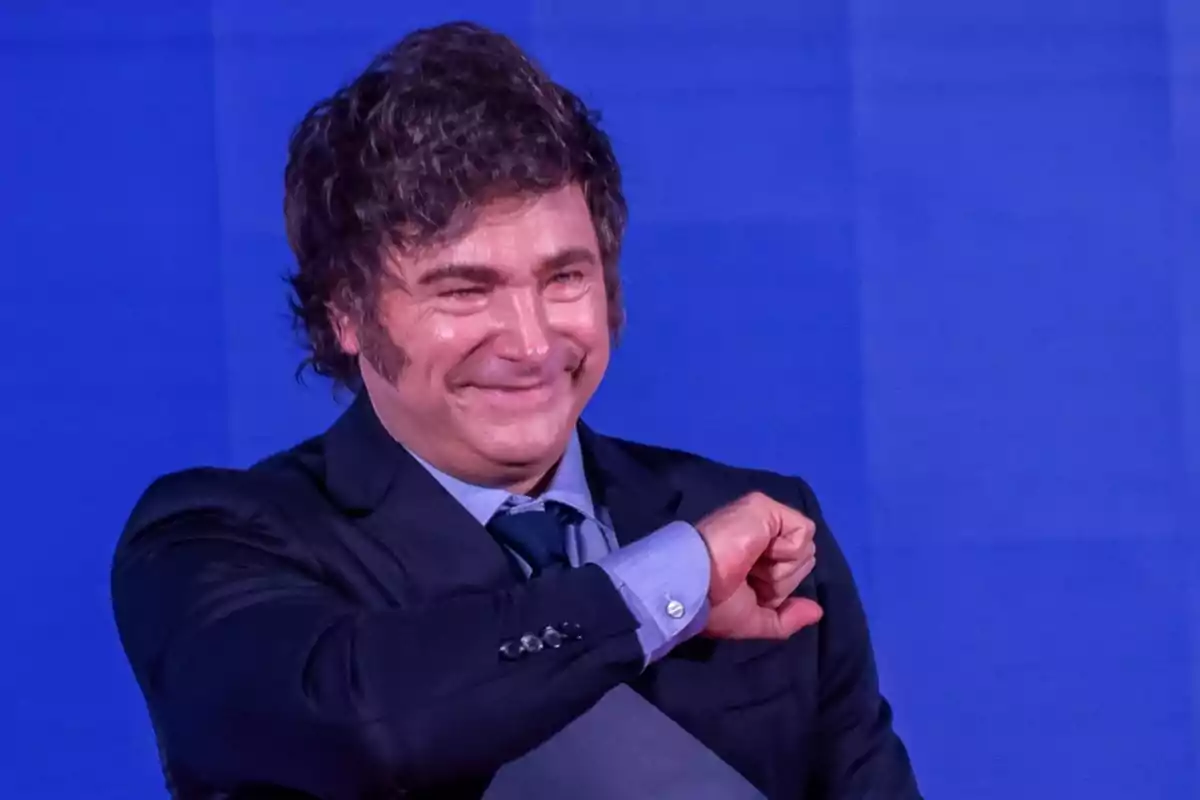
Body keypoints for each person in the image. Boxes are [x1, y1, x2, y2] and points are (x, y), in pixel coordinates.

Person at [111, 20, 920, 800]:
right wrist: (673, 581)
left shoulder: (757, 527)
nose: (531, 344)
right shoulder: (216, 541)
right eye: (465, 290)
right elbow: (362, 721)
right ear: (345, 314)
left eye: (564, 278)